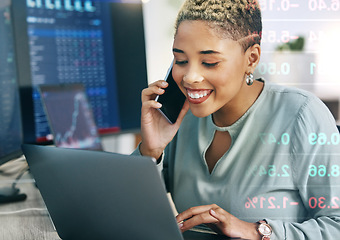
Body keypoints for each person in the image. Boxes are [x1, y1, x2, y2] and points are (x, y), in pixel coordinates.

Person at [133, 0, 340, 239]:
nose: (190, 77)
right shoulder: (182, 116)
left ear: (251, 59)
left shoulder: (301, 114)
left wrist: (254, 231)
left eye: (210, 62)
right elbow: (127, 210)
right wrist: (151, 150)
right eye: (180, 60)